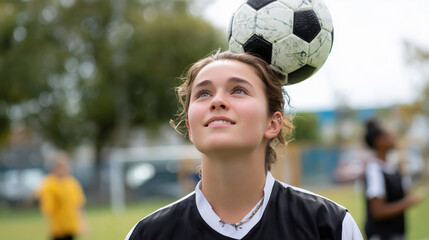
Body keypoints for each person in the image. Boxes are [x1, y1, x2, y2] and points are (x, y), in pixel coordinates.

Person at [125, 51, 363, 239]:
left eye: (238, 90)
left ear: (273, 123)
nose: (217, 100)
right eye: (203, 94)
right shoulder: (147, 234)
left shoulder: (329, 225)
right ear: (190, 127)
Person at [363, 119, 427, 240]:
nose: (394, 137)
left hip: (397, 233)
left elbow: (404, 194)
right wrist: (409, 202)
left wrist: (403, 164)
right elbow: (378, 211)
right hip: (382, 235)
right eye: (389, 135)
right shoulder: (374, 169)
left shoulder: (394, 168)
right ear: (379, 141)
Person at [36, 151, 88, 240]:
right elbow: (47, 207)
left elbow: (78, 205)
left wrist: (83, 223)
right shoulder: (50, 183)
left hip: (71, 225)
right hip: (58, 228)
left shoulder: (72, 183)